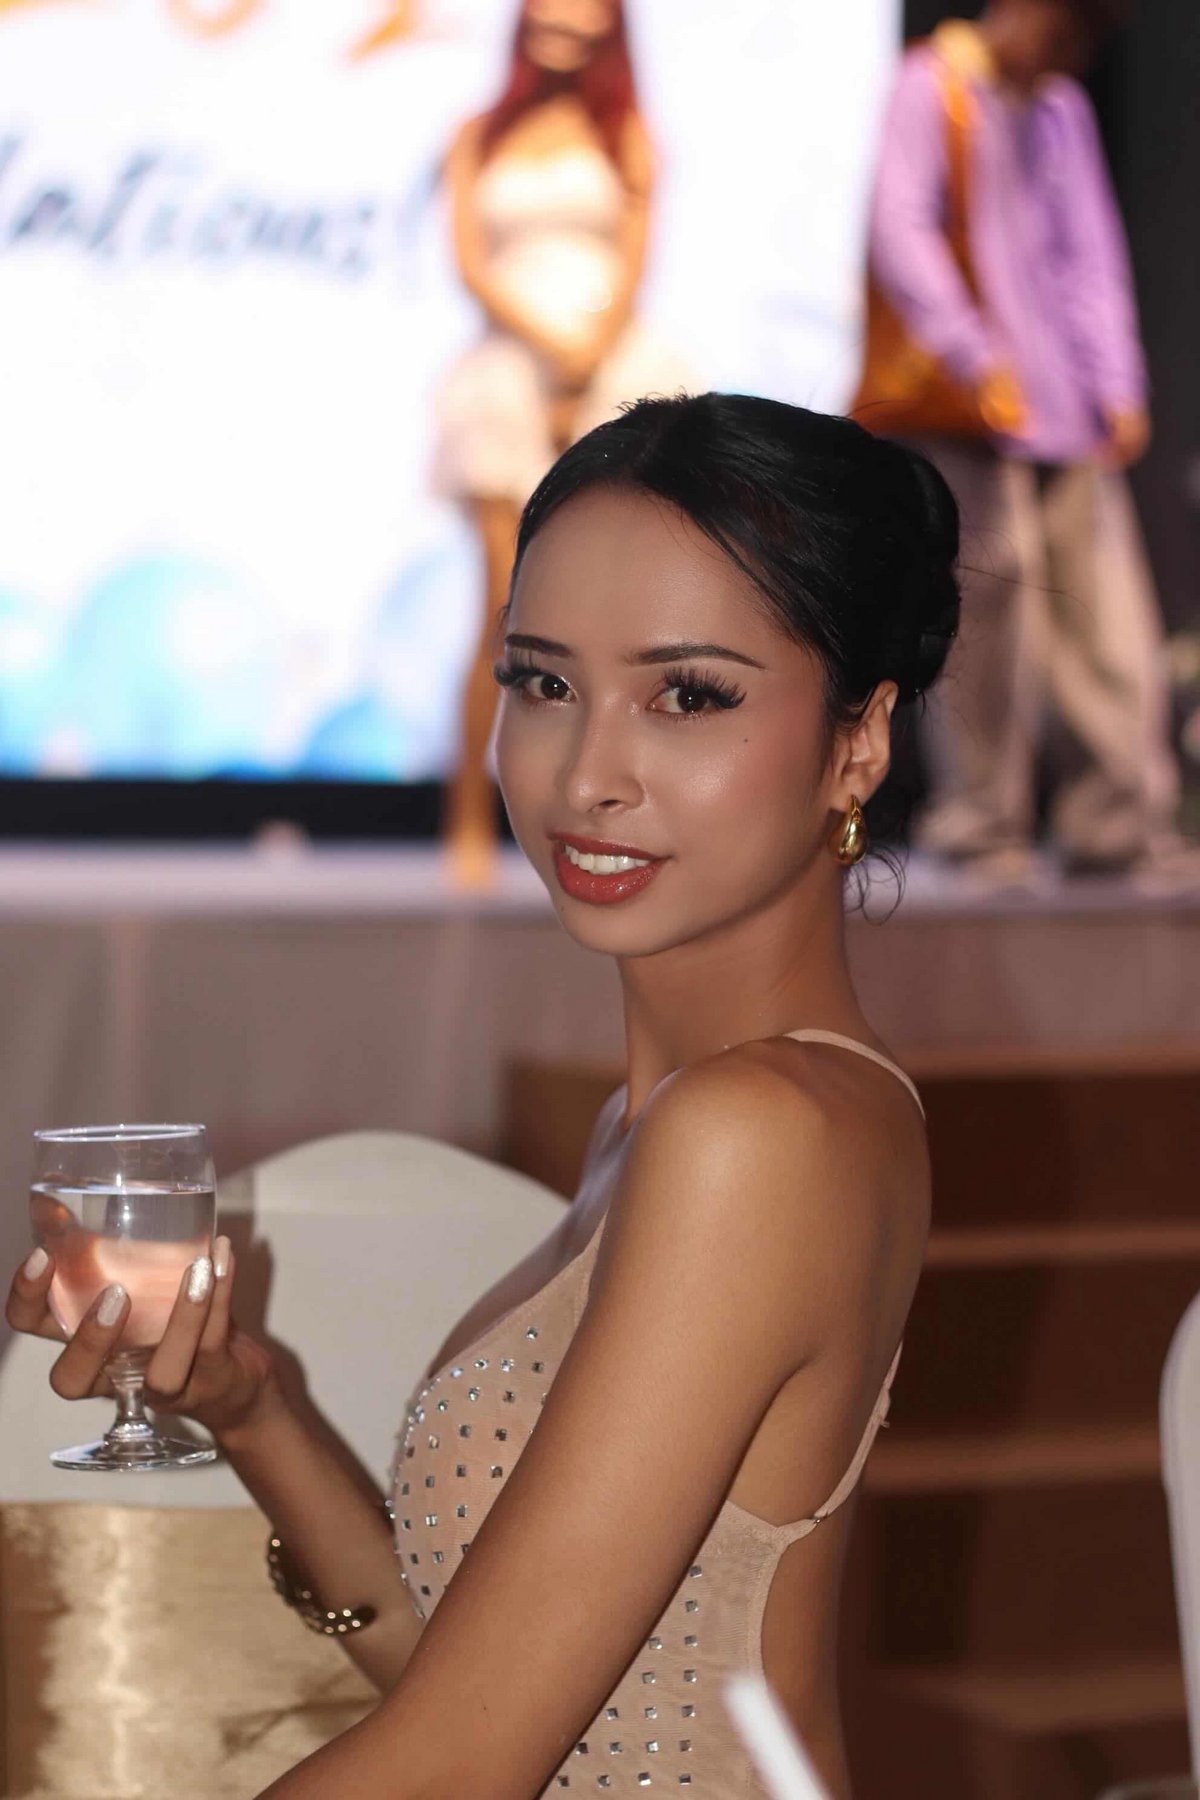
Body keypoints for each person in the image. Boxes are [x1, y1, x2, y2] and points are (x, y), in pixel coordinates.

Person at [8, 393, 951, 1798]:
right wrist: (255, 1409)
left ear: (859, 739)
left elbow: (457, 1764)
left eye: (689, 695)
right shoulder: (677, 1120)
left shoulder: (757, 1137)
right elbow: (498, 1696)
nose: (589, 774)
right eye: (543, 683)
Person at [853, 0, 1194, 887]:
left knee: (1108, 619)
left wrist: (1117, 381)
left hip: (1066, 411)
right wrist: (973, 354)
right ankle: (981, 826)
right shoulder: (933, 84)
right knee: (990, 622)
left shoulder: (1058, 107)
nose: (1070, 52)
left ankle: (1119, 823)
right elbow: (900, 228)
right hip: (971, 411)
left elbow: (1090, 251)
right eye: (1065, 30)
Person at [435, 0, 689, 886]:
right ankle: (469, 817)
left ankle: (615, 818)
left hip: (608, 372)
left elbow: (636, 261)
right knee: (504, 607)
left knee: (618, 621)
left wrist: (587, 356)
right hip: (508, 370)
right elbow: (469, 264)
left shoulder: (627, 135)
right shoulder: (480, 135)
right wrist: (545, 345)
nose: (562, 40)